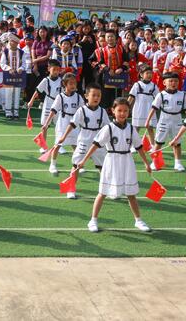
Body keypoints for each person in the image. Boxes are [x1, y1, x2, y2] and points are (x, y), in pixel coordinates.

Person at [75, 98, 152, 233]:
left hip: (127, 161)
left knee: (131, 193)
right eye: (119, 110)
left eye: (125, 111)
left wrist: (146, 163)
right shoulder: (108, 128)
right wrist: (83, 161)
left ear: (129, 112)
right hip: (111, 161)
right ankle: (93, 220)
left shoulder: (131, 128)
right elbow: (95, 145)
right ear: (113, 111)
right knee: (103, 192)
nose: (122, 113)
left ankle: (138, 220)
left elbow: (139, 147)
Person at [53, 85, 107, 199]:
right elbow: (72, 124)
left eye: (99, 95)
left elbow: (108, 128)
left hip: (98, 144)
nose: (96, 98)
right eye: (93, 95)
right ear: (86, 96)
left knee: (102, 167)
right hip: (84, 142)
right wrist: (63, 137)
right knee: (76, 165)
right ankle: (71, 189)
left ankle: (106, 189)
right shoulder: (81, 110)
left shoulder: (103, 111)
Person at [41, 72, 83, 175]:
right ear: (64, 84)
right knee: (58, 145)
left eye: (74, 83)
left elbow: (83, 111)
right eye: (71, 83)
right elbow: (53, 110)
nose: (73, 85)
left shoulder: (78, 97)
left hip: (74, 124)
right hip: (63, 123)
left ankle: (78, 165)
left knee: (76, 145)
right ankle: (52, 165)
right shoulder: (60, 97)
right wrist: (46, 123)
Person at [145, 72, 186, 172]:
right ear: (164, 82)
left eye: (176, 81)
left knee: (177, 143)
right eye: (170, 81)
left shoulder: (182, 95)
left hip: (177, 120)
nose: (173, 83)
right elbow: (153, 109)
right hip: (164, 120)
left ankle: (178, 163)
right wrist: (147, 121)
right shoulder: (161, 95)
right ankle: (155, 162)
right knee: (158, 142)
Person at [26, 59, 63, 147]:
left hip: (58, 104)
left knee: (59, 125)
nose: (56, 72)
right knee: (44, 125)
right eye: (54, 69)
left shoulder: (61, 81)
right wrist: (31, 101)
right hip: (48, 103)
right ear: (49, 69)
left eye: (58, 70)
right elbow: (37, 91)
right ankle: (43, 145)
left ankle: (58, 145)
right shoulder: (46, 80)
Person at [0, 33, 29, 119]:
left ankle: (16, 112)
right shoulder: (5, 52)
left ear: (17, 43)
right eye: (11, 41)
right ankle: (8, 111)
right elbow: (2, 63)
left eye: (14, 41)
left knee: (17, 93)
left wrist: (21, 68)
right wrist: (9, 68)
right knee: (8, 93)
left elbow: (24, 64)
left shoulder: (21, 52)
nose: (12, 43)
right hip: (8, 75)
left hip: (18, 76)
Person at [127, 64, 157, 133]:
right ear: (141, 74)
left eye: (151, 73)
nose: (149, 75)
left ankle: (152, 141)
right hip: (138, 109)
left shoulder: (154, 86)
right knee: (136, 128)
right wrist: (126, 107)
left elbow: (158, 98)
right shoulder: (137, 85)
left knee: (150, 128)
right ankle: (133, 140)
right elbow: (131, 97)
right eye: (147, 73)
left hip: (149, 109)